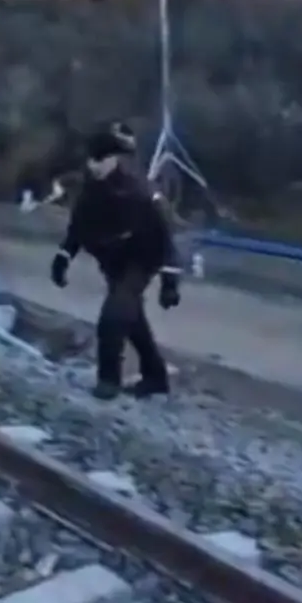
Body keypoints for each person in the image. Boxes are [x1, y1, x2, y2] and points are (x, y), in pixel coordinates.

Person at [50, 121, 183, 400]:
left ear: (113, 159)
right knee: (131, 318)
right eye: (91, 159)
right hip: (112, 260)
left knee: (113, 317)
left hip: (141, 258)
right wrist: (63, 257)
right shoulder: (90, 191)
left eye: (100, 159)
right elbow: (79, 227)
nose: (93, 165)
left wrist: (170, 281)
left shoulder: (138, 191)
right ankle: (155, 377)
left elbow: (165, 233)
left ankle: (108, 381)